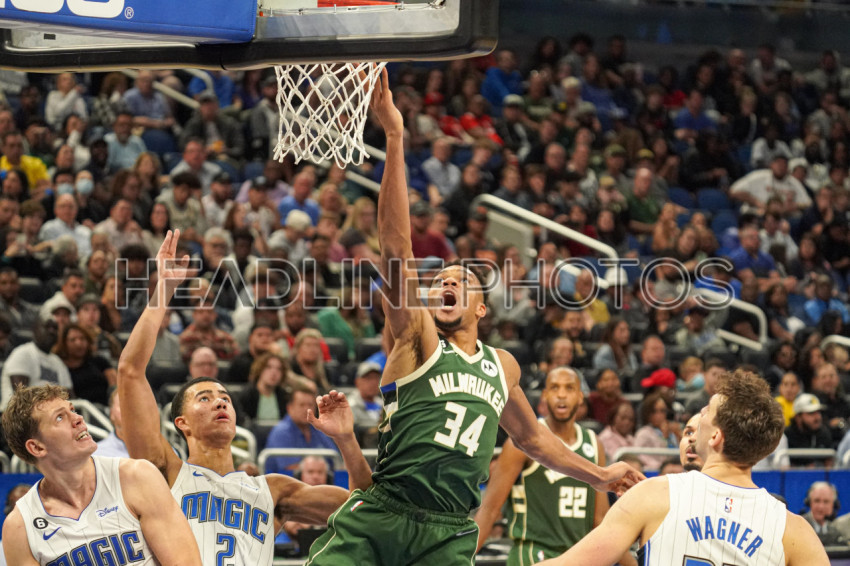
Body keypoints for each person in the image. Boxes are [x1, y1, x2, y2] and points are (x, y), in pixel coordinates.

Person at [303, 68, 641, 566]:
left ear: (482, 307)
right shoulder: (417, 338)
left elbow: (532, 439)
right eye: (440, 280)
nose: (446, 284)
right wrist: (394, 137)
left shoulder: (502, 365)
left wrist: (599, 475)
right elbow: (395, 248)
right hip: (384, 512)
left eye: (460, 281)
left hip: (449, 530)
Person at [117, 230, 374, 564]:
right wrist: (163, 290)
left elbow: (366, 508)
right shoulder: (166, 473)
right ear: (181, 423)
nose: (220, 401)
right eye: (204, 398)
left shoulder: (274, 490)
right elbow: (130, 371)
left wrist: (346, 440)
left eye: (224, 397)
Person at [537, 370, 829, 566]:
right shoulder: (795, 530)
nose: (700, 413)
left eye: (707, 410)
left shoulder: (653, 495)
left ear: (715, 437)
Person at [1, 384, 203, 566]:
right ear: (37, 447)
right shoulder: (20, 527)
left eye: (72, 410)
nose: (78, 419)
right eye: (60, 417)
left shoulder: (137, 477)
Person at [474, 368, 637, 566]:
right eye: (554, 387)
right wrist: (462, 558)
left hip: (578, 557)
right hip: (532, 555)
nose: (561, 394)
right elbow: (489, 509)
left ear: (580, 397)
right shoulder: (521, 443)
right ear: (544, 396)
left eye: (569, 388)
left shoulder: (594, 444)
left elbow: (600, 520)